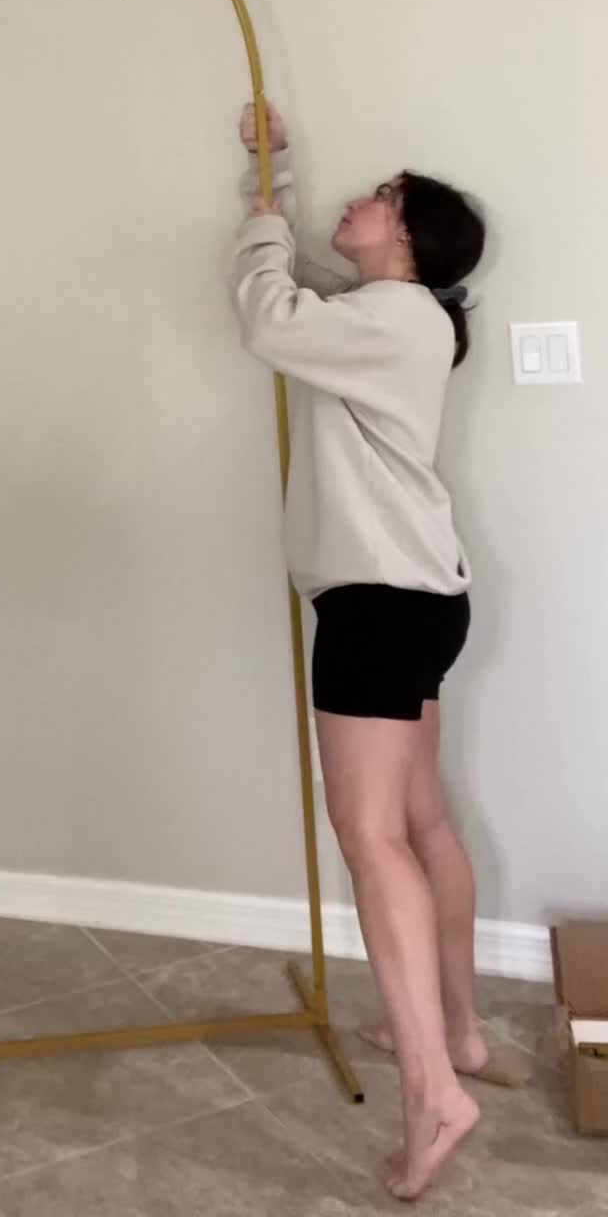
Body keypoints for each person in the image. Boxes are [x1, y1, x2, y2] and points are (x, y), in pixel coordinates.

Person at [230, 102, 518, 1204]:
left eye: (379, 196)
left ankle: (438, 1092)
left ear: (407, 235)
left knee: (370, 838)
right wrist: (274, 174)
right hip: (416, 598)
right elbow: (297, 297)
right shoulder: (393, 318)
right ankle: (461, 1036)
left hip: (377, 605)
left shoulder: (392, 319)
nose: (361, 202)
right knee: (420, 822)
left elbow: (267, 318)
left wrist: (262, 218)